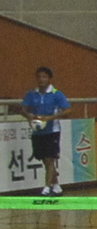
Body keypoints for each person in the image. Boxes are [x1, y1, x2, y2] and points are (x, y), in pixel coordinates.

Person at [23, 65, 69, 194]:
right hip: (38, 132)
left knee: (49, 159)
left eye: (44, 77)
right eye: (39, 77)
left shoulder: (56, 94)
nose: (41, 79)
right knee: (44, 159)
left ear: (49, 79)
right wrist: (29, 116)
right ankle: (56, 185)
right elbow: (23, 109)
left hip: (52, 131)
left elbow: (67, 109)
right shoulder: (31, 94)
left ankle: (47, 187)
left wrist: (50, 118)